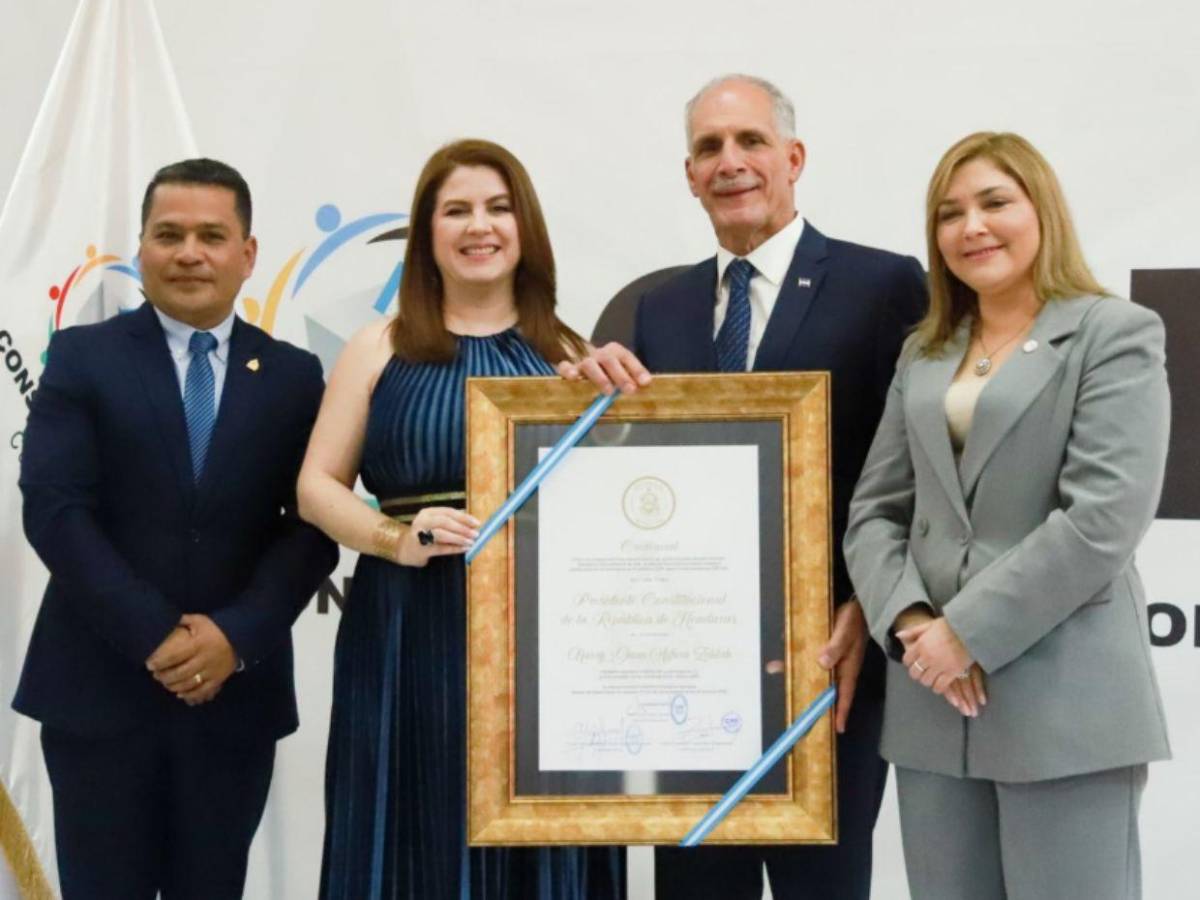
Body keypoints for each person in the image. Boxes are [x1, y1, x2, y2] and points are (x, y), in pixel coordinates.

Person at [562, 74, 927, 900]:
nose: (730, 163)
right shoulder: (660, 308)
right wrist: (569, 406)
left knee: (824, 887)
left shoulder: (883, 285)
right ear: (689, 175)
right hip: (688, 675)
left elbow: (911, 474)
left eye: (751, 142)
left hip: (831, 661)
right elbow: (640, 477)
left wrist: (868, 606)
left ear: (794, 158)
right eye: (709, 148)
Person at [843, 131, 1171, 899]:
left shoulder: (1111, 333)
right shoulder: (924, 352)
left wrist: (967, 633)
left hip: (1065, 704)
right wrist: (915, 625)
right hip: (933, 708)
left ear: (1041, 210)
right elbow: (875, 511)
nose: (971, 227)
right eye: (949, 214)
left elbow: (1104, 519)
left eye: (994, 202)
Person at [298, 138, 626, 900]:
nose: (479, 226)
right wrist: (393, 539)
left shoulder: (574, 356)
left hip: (547, 651)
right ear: (427, 234)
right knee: (410, 833)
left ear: (526, 228)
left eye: (498, 207)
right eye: (456, 211)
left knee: (537, 843)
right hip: (407, 632)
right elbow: (318, 485)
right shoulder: (377, 345)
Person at [13, 158, 339, 899]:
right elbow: (55, 507)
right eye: (169, 234)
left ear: (247, 253)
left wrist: (235, 637)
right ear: (140, 248)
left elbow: (313, 526)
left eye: (211, 235)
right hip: (96, 695)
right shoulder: (82, 356)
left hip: (233, 700)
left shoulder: (294, 376)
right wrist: (156, 635)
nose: (189, 251)